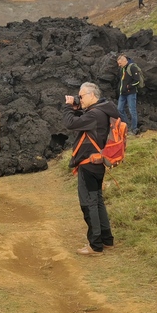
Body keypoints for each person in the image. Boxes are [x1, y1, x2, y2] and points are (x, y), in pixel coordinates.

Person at [62, 82, 120, 256]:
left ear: (92, 95)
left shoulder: (95, 114)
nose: (80, 99)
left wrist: (67, 108)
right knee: (97, 201)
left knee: (89, 203)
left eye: (81, 96)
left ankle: (95, 245)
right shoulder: (103, 110)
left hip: (89, 164)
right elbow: (82, 116)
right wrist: (76, 107)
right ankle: (107, 239)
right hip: (97, 163)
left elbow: (70, 123)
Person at [116, 55, 141, 135]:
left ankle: (134, 129)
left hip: (131, 93)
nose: (119, 65)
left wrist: (129, 86)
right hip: (122, 94)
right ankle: (127, 126)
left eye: (120, 63)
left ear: (124, 61)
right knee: (119, 109)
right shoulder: (122, 69)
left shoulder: (132, 67)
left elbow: (137, 80)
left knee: (132, 110)